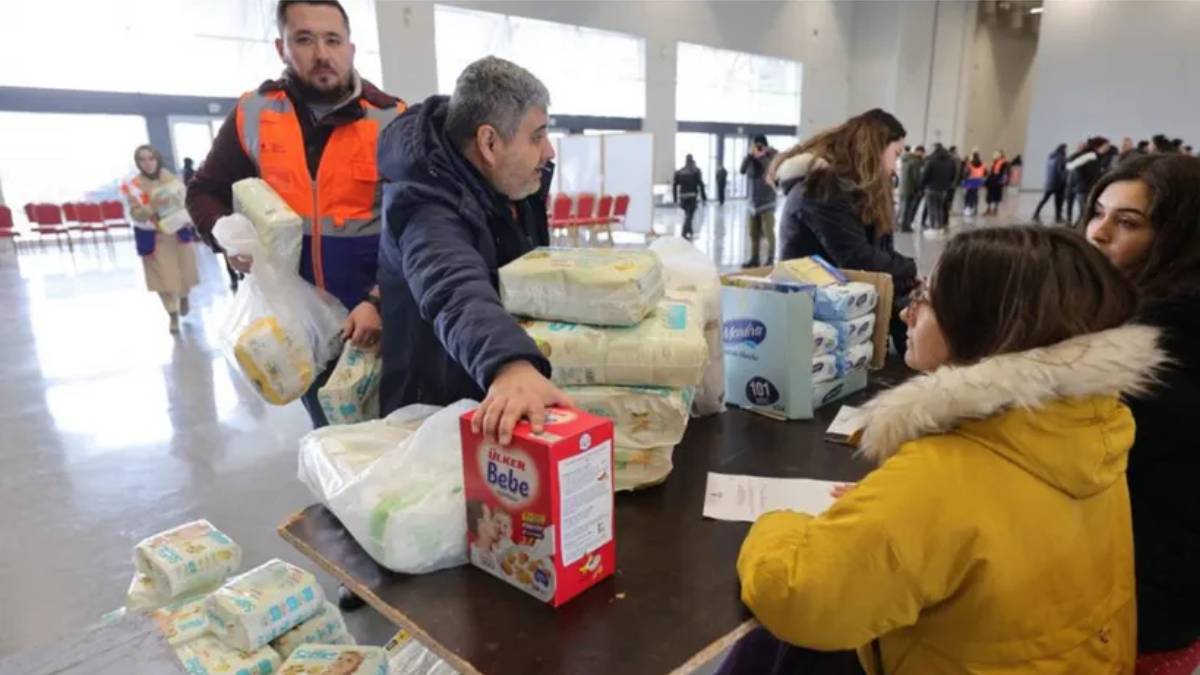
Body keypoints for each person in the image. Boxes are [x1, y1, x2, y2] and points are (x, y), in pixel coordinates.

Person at [723, 226, 1159, 675]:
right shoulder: (1091, 428)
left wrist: (777, 524)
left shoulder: (942, 476)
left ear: (981, 323)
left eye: (925, 298)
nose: (908, 315)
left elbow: (798, 596)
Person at [186, 0, 405, 429]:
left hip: (378, 317)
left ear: (351, 48)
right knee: (327, 428)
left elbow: (416, 226)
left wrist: (379, 299)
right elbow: (204, 191)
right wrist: (227, 236)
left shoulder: (392, 119)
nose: (322, 53)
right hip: (299, 323)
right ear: (281, 48)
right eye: (304, 39)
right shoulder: (254, 113)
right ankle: (339, 496)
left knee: (389, 430)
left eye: (332, 40)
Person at [376, 56, 571, 446]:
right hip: (434, 412)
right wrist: (510, 364)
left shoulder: (509, 184)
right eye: (537, 137)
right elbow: (452, 286)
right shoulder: (424, 203)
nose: (549, 152)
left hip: (485, 391)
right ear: (489, 142)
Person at [1082, 154, 1200, 671]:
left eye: (1126, 222)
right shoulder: (1128, 317)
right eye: (1098, 212)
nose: (1099, 232)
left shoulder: (1163, 345)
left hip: (1140, 602)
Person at [770, 108, 916, 353]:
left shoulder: (854, 191)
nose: (895, 167)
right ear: (876, 148)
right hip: (815, 321)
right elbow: (858, 258)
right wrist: (908, 267)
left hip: (839, 310)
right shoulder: (823, 190)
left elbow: (877, 256)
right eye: (896, 154)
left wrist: (905, 280)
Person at [122, 144, 200, 335]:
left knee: (184, 272)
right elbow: (136, 215)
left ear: (157, 159)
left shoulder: (170, 178)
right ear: (137, 163)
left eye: (151, 158)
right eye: (142, 159)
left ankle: (184, 297)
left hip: (178, 232)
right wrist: (152, 206)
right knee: (162, 278)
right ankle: (172, 314)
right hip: (155, 237)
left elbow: (185, 200)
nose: (147, 163)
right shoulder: (134, 186)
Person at [740, 135, 778, 267]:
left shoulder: (772, 156)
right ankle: (754, 258)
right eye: (756, 146)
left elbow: (770, 170)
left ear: (765, 145)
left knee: (768, 231)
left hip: (767, 201)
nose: (758, 148)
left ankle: (770, 258)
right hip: (753, 202)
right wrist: (749, 156)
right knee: (753, 233)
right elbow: (742, 170)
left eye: (760, 145)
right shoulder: (751, 158)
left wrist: (762, 156)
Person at [1066, 136, 1111, 223]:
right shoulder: (1090, 157)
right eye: (1106, 145)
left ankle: (1077, 229)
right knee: (1085, 214)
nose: (1108, 147)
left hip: (1087, 189)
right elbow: (1073, 168)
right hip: (1084, 190)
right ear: (1099, 146)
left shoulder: (1098, 157)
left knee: (1084, 214)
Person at [919, 143, 957, 236]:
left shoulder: (932, 160)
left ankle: (933, 227)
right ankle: (940, 227)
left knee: (932, 208)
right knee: (940, 208)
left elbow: (925, 175)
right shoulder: (951, 161)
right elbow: (953, 174)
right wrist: (948, 184)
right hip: (943, 189)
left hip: (931, 188)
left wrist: (922, 185)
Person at [673, 154, 707, 240]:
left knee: (688, 214)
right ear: (692, 160)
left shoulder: (679, 171)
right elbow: (701, 184)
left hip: (683, 196)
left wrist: (675, 198)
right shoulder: (696, 171)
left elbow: (674, 185)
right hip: (692, 196)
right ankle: (684, 232)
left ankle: (690, 231)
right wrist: (704, 197)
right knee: (690, 215)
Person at [1032, 143, 1068, 223]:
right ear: (1062, 149)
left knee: (1044, 199)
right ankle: (1058, 217)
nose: (1066, 151)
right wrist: (1066, 178)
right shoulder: (1060, 158)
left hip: (1050, 183)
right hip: (1058, 184)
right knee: (1058, 201)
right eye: (1065, 149)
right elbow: (1060, 171)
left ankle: (1036, 213)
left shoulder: (1051, 157)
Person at [896, 145, 924, 233]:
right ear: (919, 152)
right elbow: (916, 177)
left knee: (902, 207)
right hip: (910, 188)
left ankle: (897, 225)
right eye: (922, 152)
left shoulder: (905, 159)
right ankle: (905, 227)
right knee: (907, 209)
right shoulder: (915, 162)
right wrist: (919, 188)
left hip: (902, 187)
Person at [983, 149, 1009, 215]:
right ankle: (988, 209)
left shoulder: (1004, 163)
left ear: (1001, 155)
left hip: (998, 180)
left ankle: (995, 209)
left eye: (998, 154)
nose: (996, 155)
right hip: (992, 179)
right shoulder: (995, 162)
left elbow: (1005, 173)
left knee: (997, 195)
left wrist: (1003, 181)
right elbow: (991, 171)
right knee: (989, 195)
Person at [962, 151, 986, 215]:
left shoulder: (970, 164)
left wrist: (964, 180)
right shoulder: (982, 164)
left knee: (968, 194)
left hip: (970, 181)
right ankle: (975, 208)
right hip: (978, 181)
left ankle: (967, 207)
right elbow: (985, 172)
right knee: (975, 194)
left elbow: (966, 173)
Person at [943, 145, 961, 224]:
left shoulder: (947, 157)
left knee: (948, 196)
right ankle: (948, 210)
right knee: (949, 196)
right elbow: (957, 171)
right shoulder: (955, 158)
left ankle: (948, 209)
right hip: (952, 181)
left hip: (949, 181)